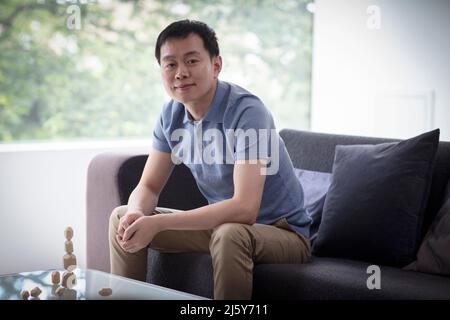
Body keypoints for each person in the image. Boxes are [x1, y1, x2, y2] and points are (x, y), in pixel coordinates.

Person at [109, 19, 311, 300]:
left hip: (284, 234)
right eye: (170, 64)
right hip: (223, 229)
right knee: (122, 218)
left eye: (191, 61)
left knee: (231, 234)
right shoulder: (171, 116)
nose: (180, 73)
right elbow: (149, 187)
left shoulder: (247, 112)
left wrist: (160, 223)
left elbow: (244, 209)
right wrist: (137, 214)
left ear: (216, 65)